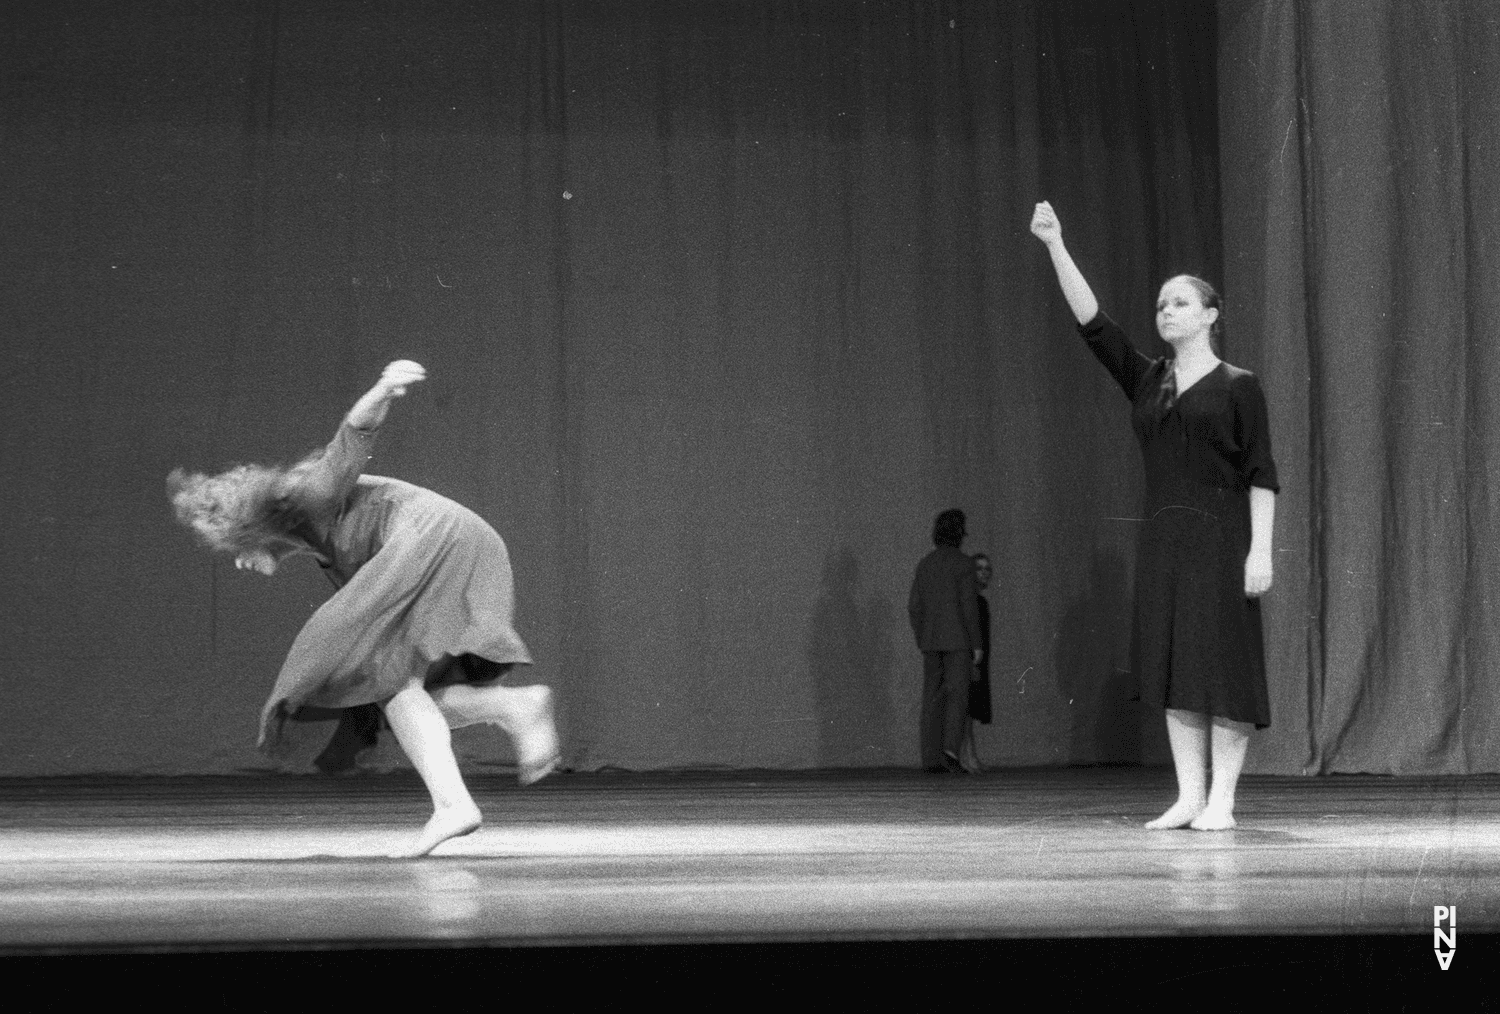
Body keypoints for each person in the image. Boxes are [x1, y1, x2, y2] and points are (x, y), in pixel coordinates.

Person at [168, 360, 560, 857]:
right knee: (405, 694)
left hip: (431, 539)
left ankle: (452, 805)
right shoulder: (308, 533)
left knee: (378, 673)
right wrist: (273, 552)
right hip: (464, 540)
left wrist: (384, 388)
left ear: (256, 524)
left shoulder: (311, 492)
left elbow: (353, 433)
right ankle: (514, 708)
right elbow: (311, 540)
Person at [1030, 201, 1278, 831]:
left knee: (1223, 664)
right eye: (1163, 304)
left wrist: (1262, 550)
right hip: (1164, 542)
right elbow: (1094, 325)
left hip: (1223, 540)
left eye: (1181, 303)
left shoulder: (1238, 384)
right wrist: (1056, 243)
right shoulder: (1149, 382)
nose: (1167, 311)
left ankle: (1223, 797)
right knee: (1172, 663)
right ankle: (1190, 795)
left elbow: (1263, 475)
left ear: (1211, 316)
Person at [907, 509, 983, 773]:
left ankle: (930, 758)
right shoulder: (963, 564)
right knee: (957, 697)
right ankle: (950, 750)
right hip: (958, 640)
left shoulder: (925, 564)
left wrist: (922, 636)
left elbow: (914, 607)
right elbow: (969, 607)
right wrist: (977, 644)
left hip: (931, 641)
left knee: (932, 699)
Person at [959, 552, 994, 773]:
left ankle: (969, 755)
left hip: (976, 659)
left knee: (969, 710)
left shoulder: (978, 600)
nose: (984, 573)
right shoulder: (970, 600)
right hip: (969, 659)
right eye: (979, 568)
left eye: (987, 569)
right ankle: (967, 757)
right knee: (966, 709)